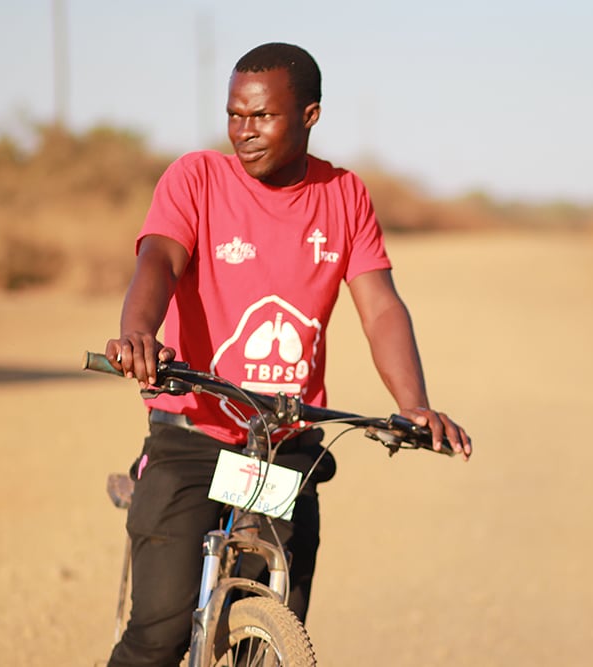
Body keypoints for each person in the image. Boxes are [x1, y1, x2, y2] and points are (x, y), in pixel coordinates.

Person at [103, 42, 472, 667]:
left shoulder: (345, 195)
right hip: (193, 433)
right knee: (158, 635)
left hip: (280, 444)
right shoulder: (197, 178)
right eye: (234, 116)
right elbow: (159, 259)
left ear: (309, 115)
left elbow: (379, 306)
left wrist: (414, 405)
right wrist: (140, 331)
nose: (243, 133)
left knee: (268, 625)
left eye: (263, 117)